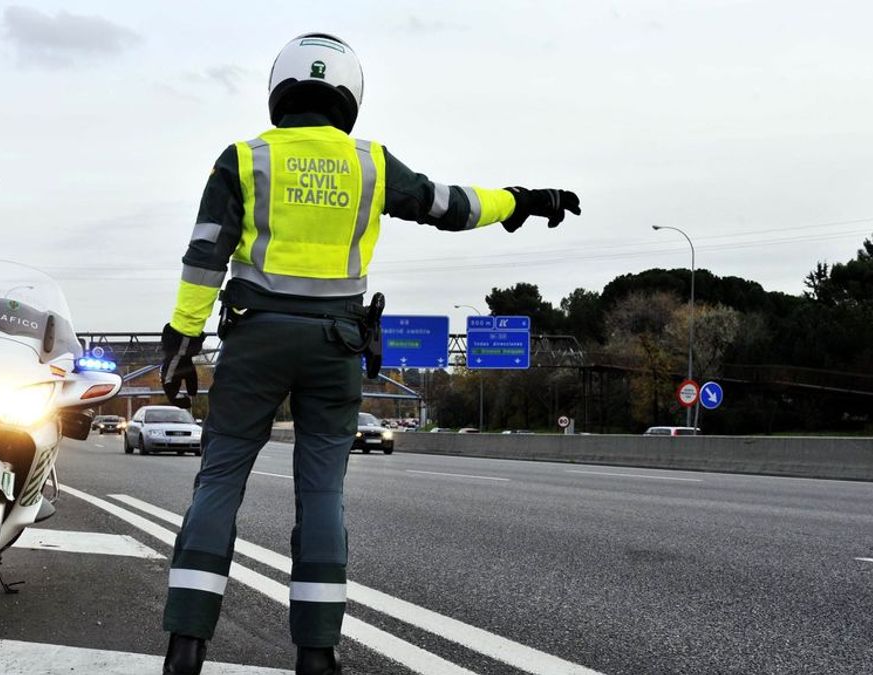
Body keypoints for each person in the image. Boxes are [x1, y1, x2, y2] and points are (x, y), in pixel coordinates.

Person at [157, 33, 581, 675]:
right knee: (321, 492)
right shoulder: (371, 163)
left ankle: (187, 645)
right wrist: (522, 202)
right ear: (349, 95)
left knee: (219, 481)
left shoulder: (243, 158)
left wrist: (182, 341)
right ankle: (318, 654)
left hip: (255, 340)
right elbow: (450, 205)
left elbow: (204, 256)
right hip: (337, 346)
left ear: (279, 90)